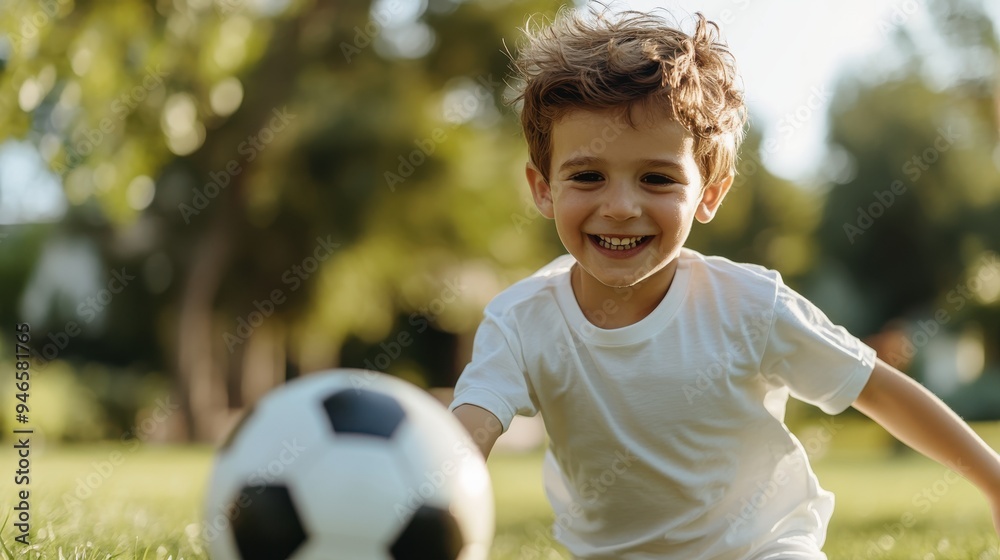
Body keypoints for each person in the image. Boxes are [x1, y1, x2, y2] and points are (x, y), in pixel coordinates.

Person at [448, 6, 1000, 559]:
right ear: (542, 189)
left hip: (763, 547)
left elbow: (873, 386)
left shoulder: (750, 306)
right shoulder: (520, 320)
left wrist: (993, 480)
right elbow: (472, 425)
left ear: (709, 193)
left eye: (657, 178)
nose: (620, 207)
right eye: (588, 176)